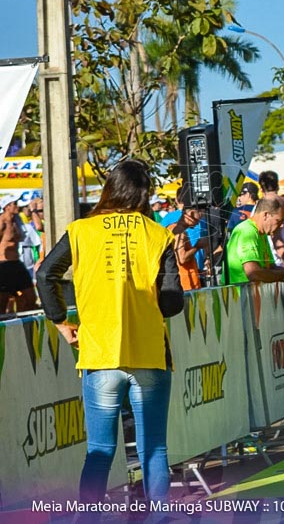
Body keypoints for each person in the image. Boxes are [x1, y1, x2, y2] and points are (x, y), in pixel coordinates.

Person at [36, 159, 184, 506]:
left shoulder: (80, 231)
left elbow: (45, 275)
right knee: (155, 449)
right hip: (149, 354)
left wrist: (60, 321)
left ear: (109, 189)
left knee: (99, 451)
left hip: (99, 353)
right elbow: (173, 301)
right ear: (144, 194)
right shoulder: (157, 234)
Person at [225, 197, 284, 285]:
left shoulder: (261, 233)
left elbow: (270, 267)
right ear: (266, 215)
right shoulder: (247, 231)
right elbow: (253, 273)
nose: (281, 226)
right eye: (278, 221)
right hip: (238, 296)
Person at [0, 194, 37, 312]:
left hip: (16, 263)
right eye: (14, 204)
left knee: (30, 297)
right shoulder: (2, 222)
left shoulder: (17, 221)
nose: (17, 206)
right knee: (3, 301)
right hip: (3, 264)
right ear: (7, 207)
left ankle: (24, 321)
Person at [170, 200, 207, 291]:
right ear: (191, 213)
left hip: (188, 285)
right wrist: (198, 246)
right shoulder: (179, 232)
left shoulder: (177, 229)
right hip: (186, 286)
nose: (198, 223)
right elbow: (182, 259)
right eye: (200, 217)